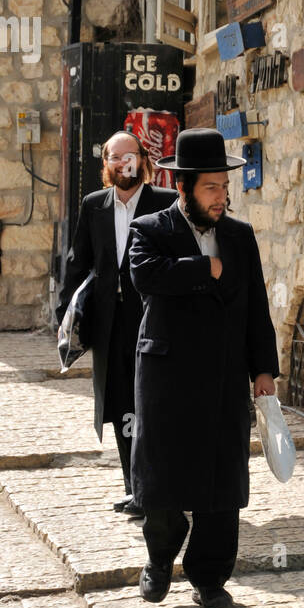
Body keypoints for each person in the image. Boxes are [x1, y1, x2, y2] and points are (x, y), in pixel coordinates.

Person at [128, 127, 278, 608]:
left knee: (222, 480)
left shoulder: (240, 236)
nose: (222, 197)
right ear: (183, 188)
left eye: (224, 186)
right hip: (167, 379)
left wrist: (264, 369)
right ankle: (158, 558)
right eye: (210, 187)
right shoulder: (150, 229)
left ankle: (210, 577)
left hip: (222, 378)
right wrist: (202, 269)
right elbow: (145, 275)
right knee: (162, 481)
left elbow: (256, 305)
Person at [56, 130, 177, 517]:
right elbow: (78, 262)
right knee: (122, 405)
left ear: (142, 160)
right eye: (114, 157)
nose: (123, 163)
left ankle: (162, 487)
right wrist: (66, 318)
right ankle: (135, 488)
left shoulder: (167, 203)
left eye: (130, 156)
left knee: (157, 404)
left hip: (155, 321)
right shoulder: (94, 206)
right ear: (106, 163)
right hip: (111, 324)